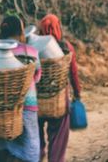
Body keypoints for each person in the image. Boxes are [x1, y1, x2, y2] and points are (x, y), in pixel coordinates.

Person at [0, 15, 42, 162]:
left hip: (1, 108)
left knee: (2, 148)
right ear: (20, 32)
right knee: (28, 147)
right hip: (27, 106)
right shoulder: (31, 52)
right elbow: (37, 77)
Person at [38, 14, 81, 162]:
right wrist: (77, 93)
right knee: (58, 137)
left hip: (37, 102)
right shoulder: (66, 48)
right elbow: (73, 73)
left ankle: (38, 155)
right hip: (59, 102)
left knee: (36, 138)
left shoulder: (33, 47)